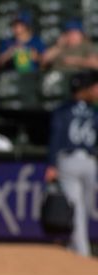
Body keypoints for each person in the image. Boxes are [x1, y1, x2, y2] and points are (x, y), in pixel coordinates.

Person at [45, 70, 98, 257]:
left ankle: (80, 250)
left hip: (69, 160)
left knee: (77, 208)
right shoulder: (93, 111)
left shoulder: (63, 110)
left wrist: (51, 164)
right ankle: (81, 250)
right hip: (89, 161)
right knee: (85, 208)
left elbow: (56, 137)